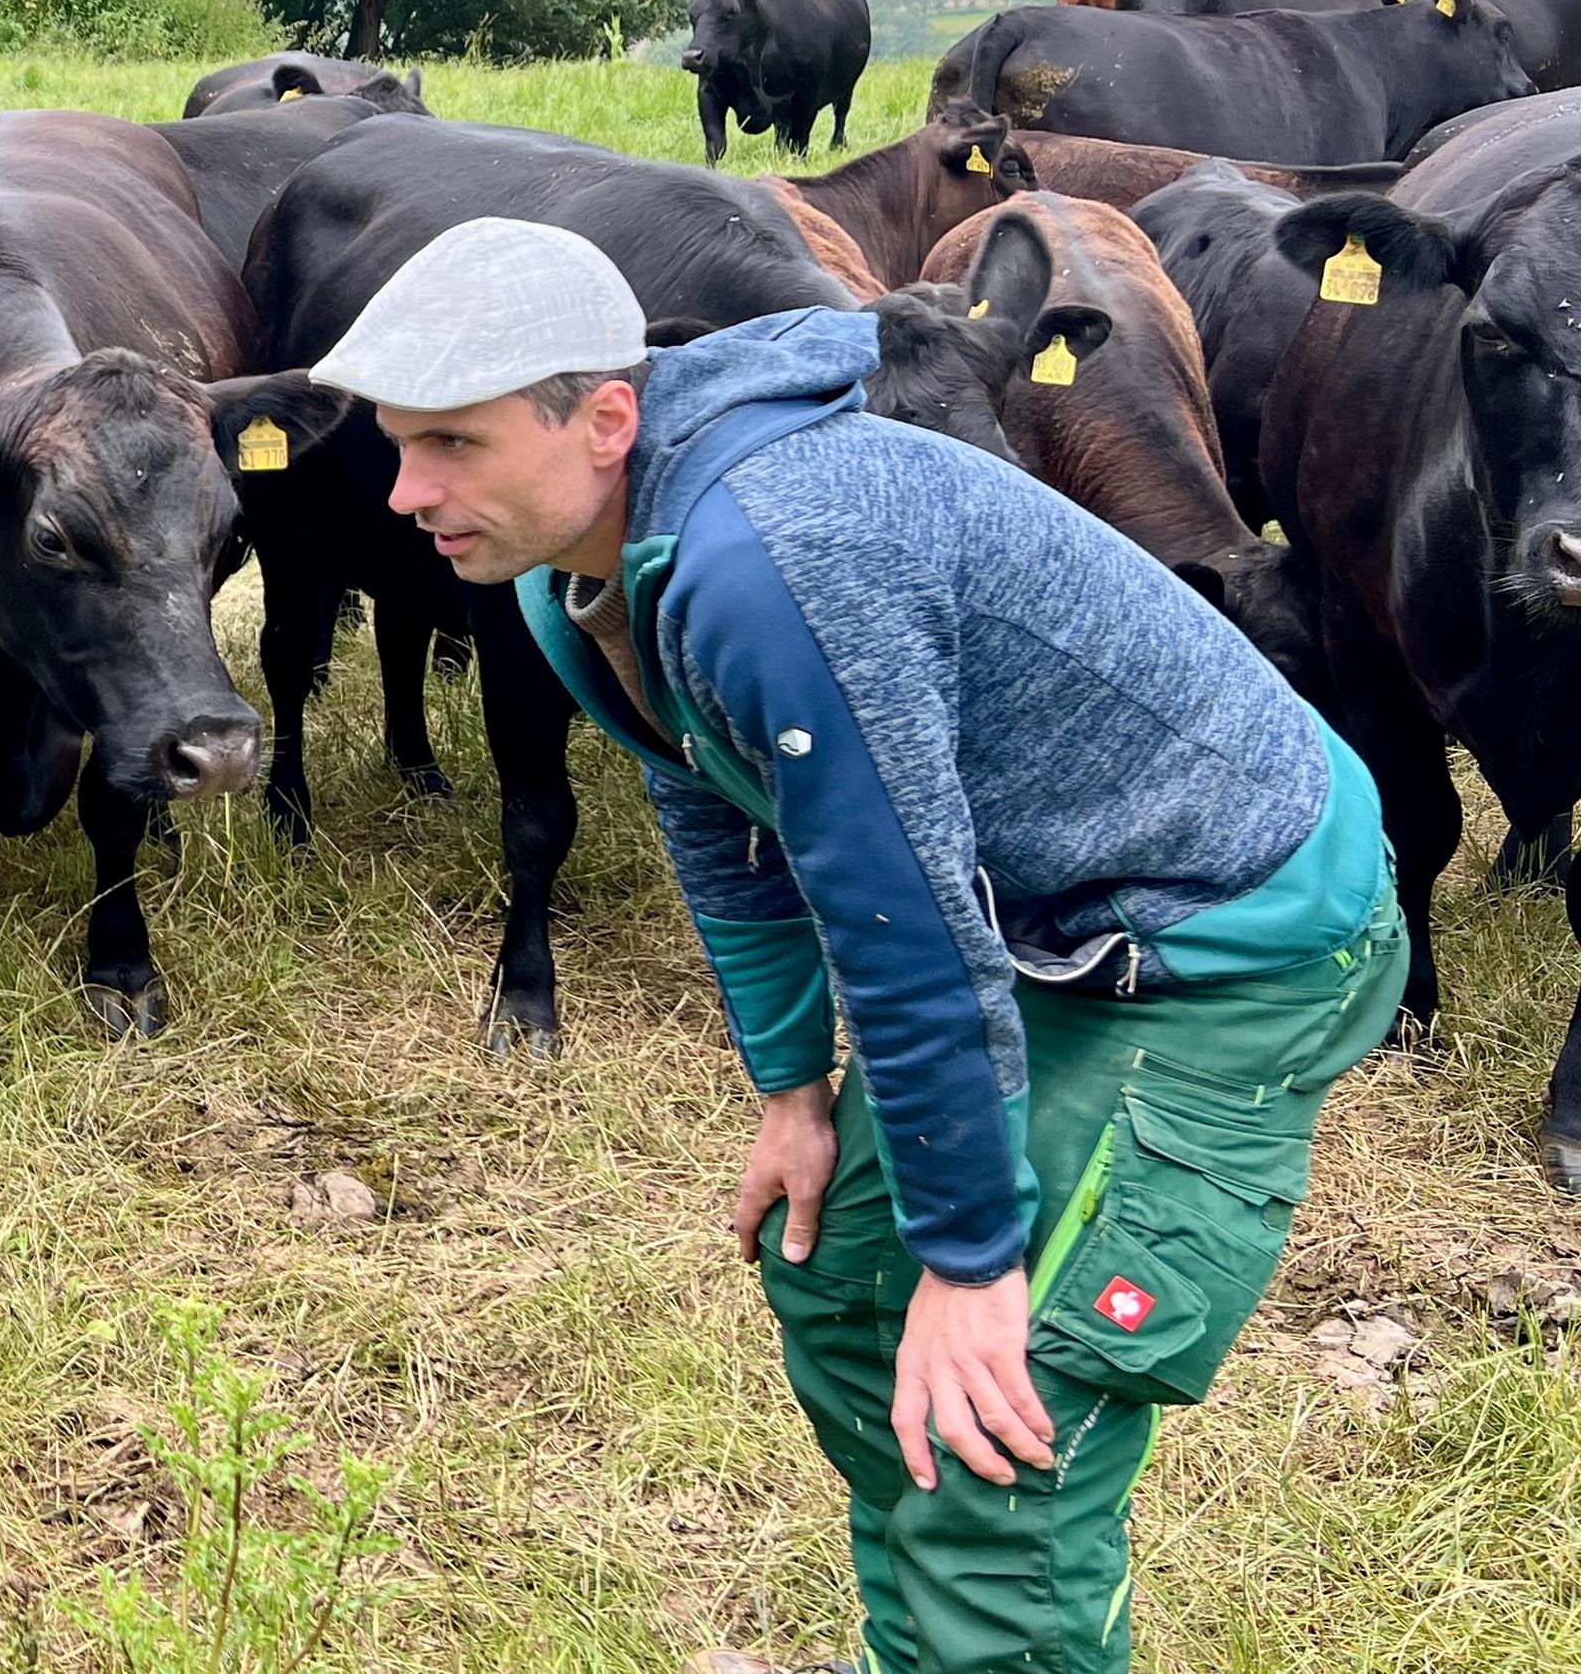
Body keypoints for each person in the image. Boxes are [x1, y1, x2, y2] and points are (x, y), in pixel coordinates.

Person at [309, 218, 1404, 1674]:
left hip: (1223, 933)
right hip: (1038, 923)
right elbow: (709, 802)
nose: (406, 493)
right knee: (834, 1288)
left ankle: (992, 1630)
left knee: (1000, 1421)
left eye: (450, 443)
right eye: (397, 444)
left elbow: (905, 915)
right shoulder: (578, 565)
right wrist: (791, 1094)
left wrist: (972, 1260)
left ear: (607, 417)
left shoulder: (777, 560)